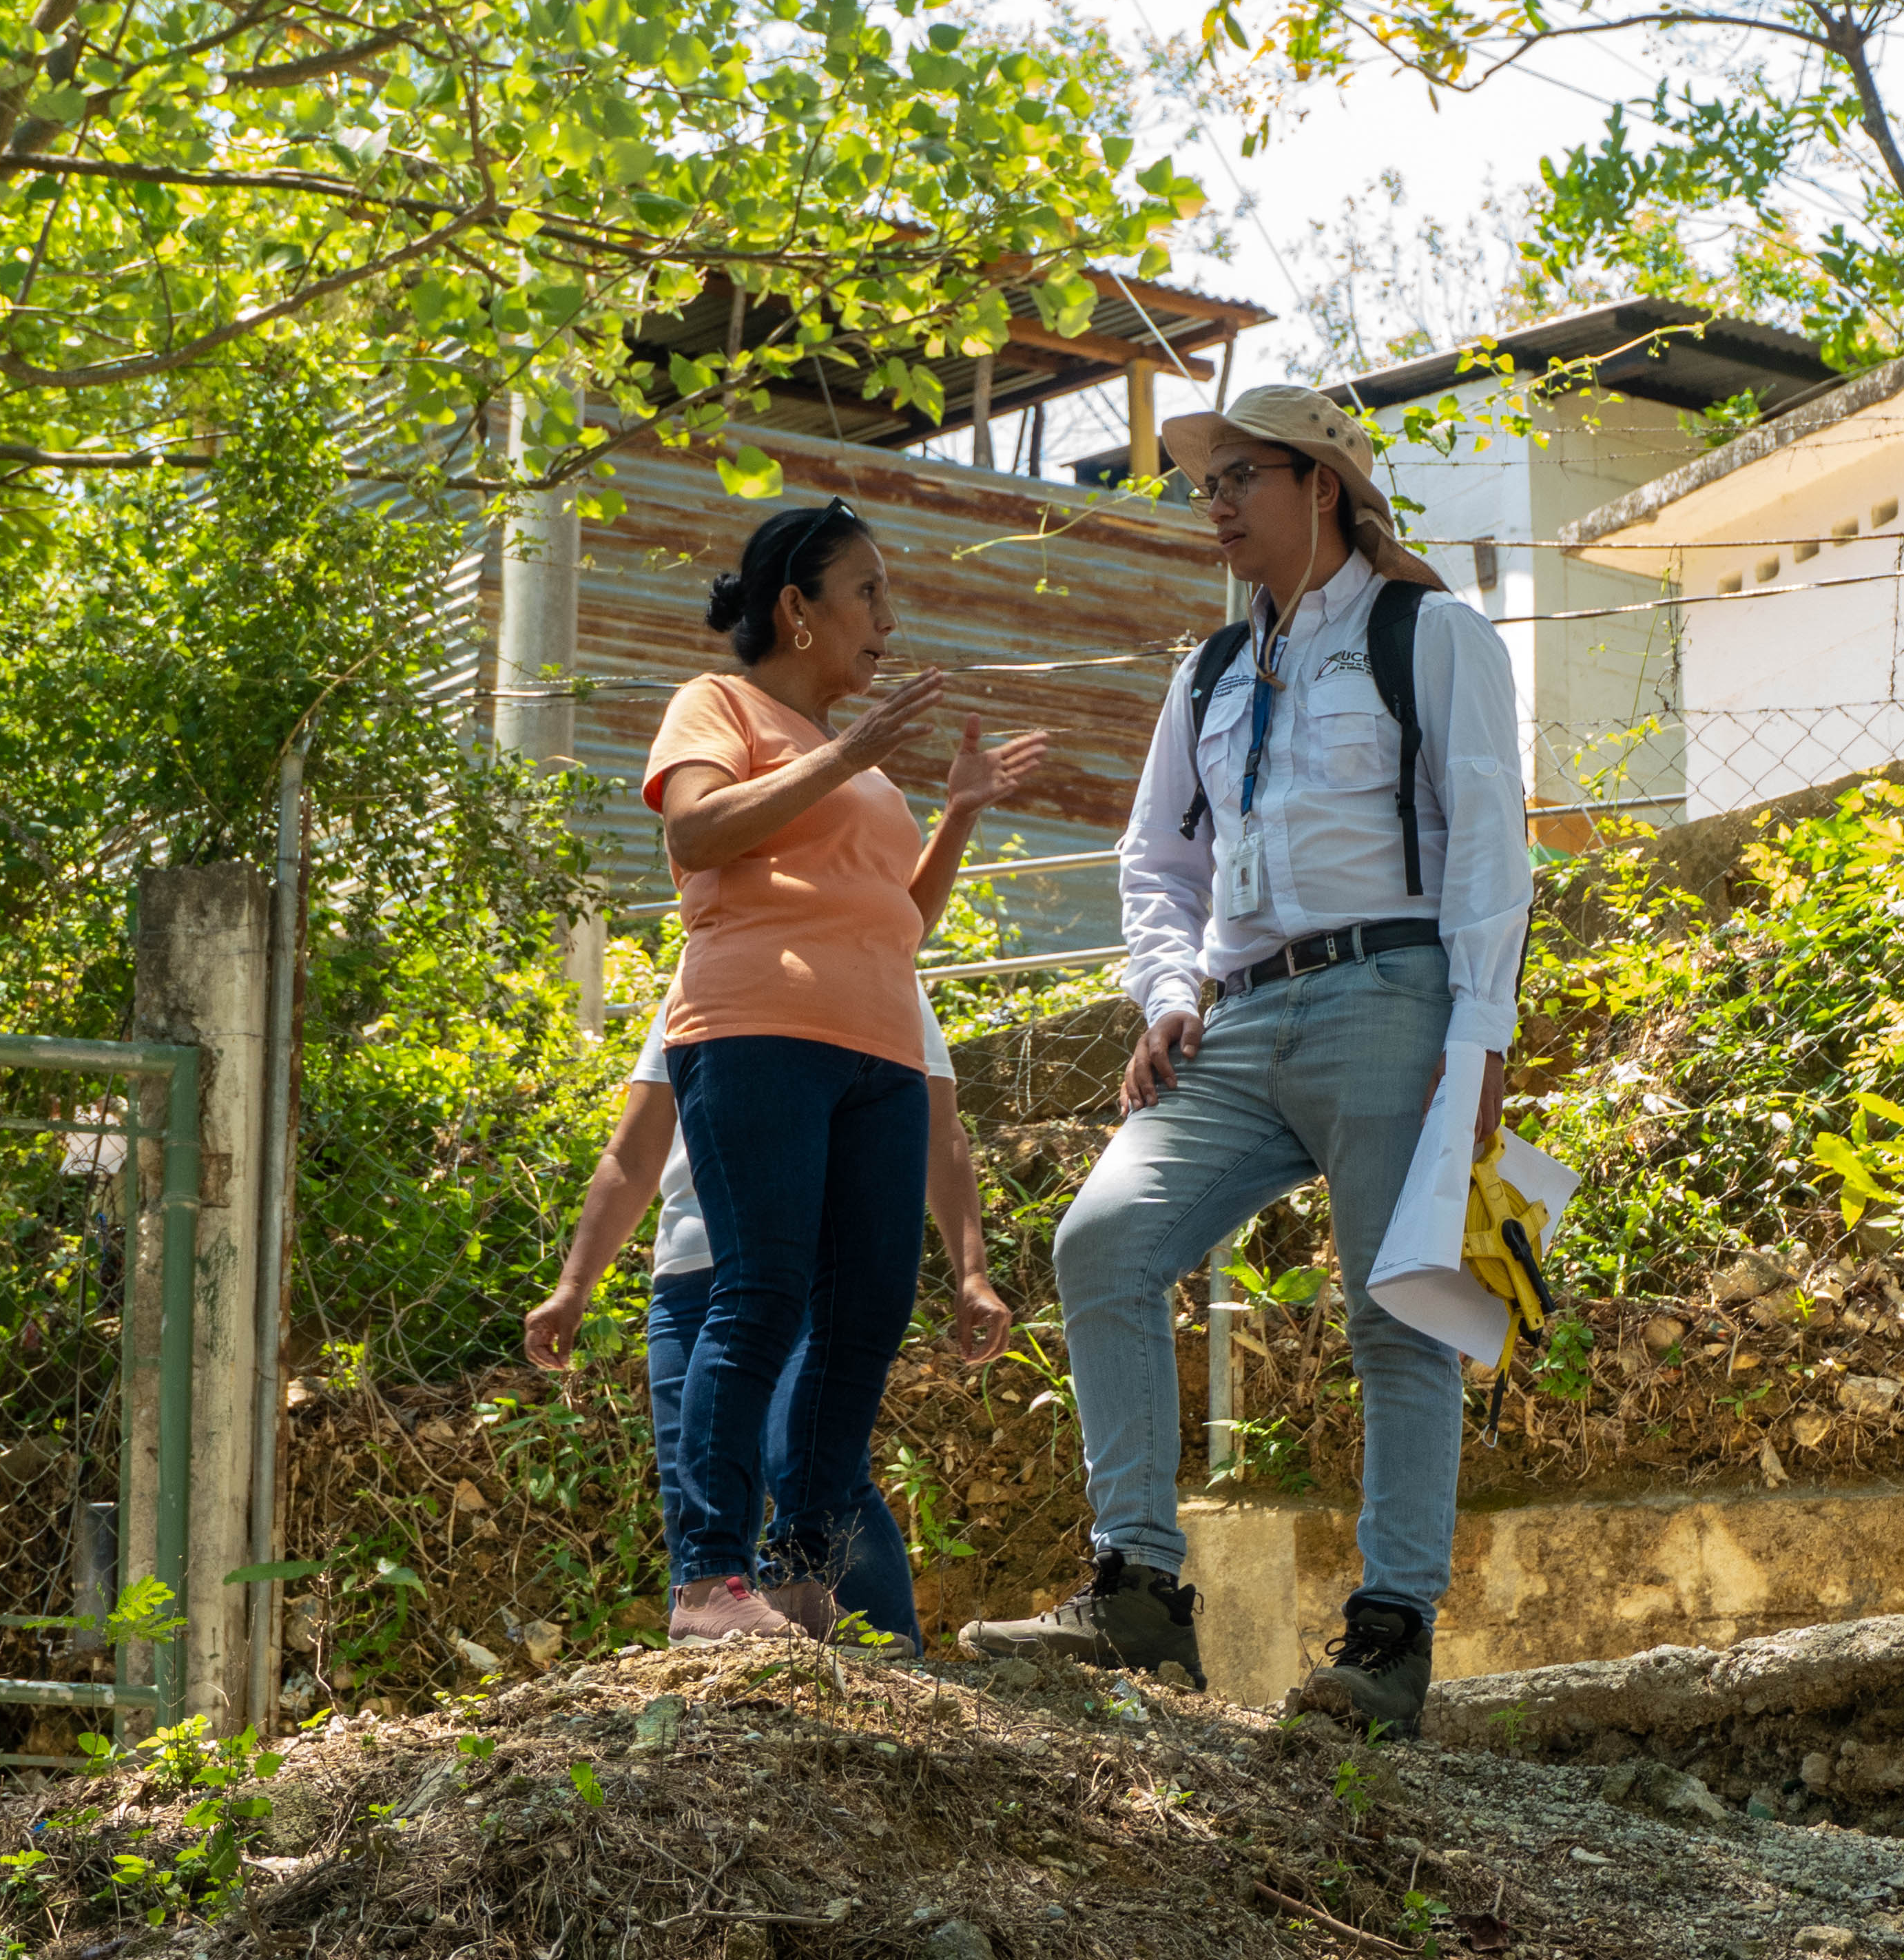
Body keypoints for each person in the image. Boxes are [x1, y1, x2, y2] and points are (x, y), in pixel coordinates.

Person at [959, 385, 1530, 1737]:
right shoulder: (1208, 672)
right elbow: (1155, 859)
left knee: (1407, 1311)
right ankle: (1140, 1590)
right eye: (1202, 480)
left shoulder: (1430, 631)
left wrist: (1482, 1036)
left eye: (1237, 475)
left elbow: (1493, 842)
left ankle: (1388, 1641)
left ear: (1322, 484)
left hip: (1392, 988)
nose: (1210, 500)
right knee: (1101, 1241)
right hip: (1231, 1020)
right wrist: (1163, 990)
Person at [643, 498, 1050, 1642]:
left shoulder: (864, 776)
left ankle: (802, 1575)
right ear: (796, 609)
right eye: (866, 590)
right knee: (762, 1293)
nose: (888, 616)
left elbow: (899, 923)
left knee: (864, 1313)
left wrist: (957, 813)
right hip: (755, 1032)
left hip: (880, 1054)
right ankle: (710, 1581)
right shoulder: (717, 705)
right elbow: (696, 835)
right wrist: (846, 755)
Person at [520, 1002, 1012, 1648]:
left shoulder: (876, 967)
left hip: (806, 1272)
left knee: (804, 1463)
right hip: (691, 1276)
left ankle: (890, 1664)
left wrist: (971, 1271)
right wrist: (572, 1288)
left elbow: (938, 1133)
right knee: (693, 1484)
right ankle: (730, 1678)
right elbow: (634, 1153)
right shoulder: (701, 980)